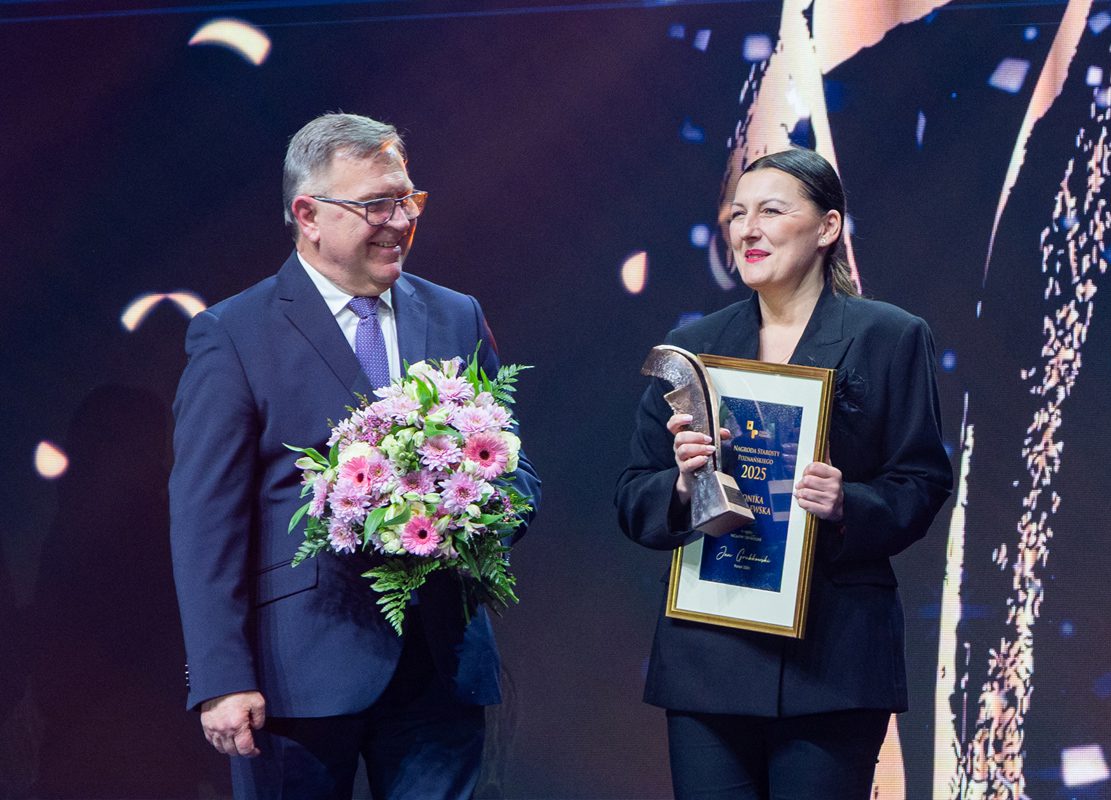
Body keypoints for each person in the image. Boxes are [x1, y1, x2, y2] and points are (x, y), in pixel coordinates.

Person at [169, 112, 540, 799]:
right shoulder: (234, 333)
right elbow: (204, 523)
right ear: (308, 215)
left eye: (408, 200)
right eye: (376, 204)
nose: (400, 221)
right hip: (295, 678)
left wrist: (474, 511)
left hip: (441, 667)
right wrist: (221, 677)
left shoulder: (456, 314)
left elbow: (516, 469)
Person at [615, 147, 953, 799]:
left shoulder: (890, 336)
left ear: (828, 227)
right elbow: (633, 495)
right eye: (737, 214)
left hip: (833, 658)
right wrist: (683, 487)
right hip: (708, 654)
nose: (748, 229)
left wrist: (848, 502)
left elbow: (921, 480)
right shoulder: (694, 349)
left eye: (771, 211)